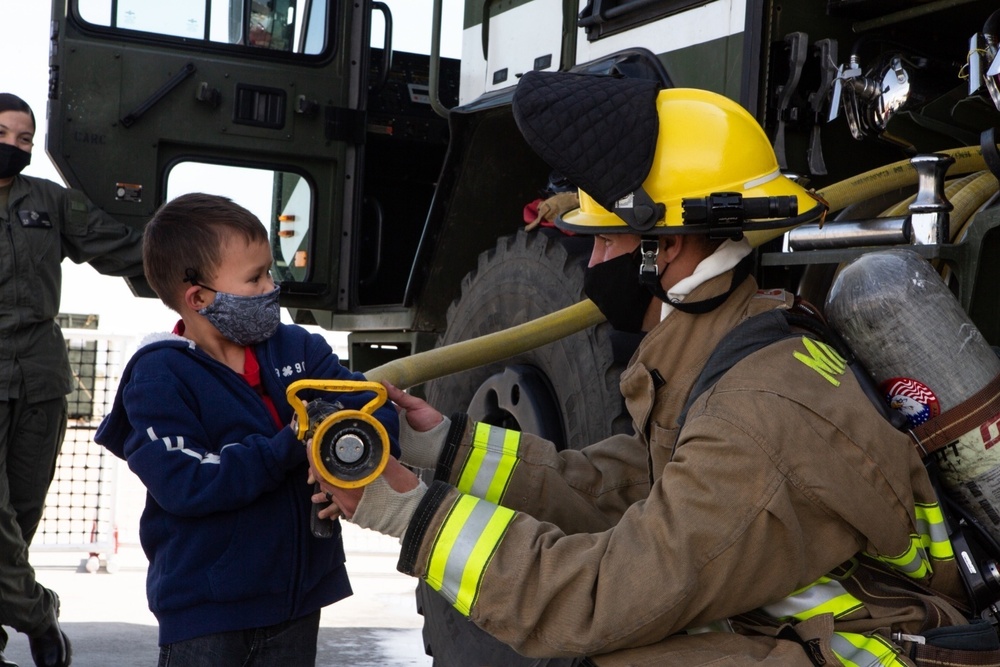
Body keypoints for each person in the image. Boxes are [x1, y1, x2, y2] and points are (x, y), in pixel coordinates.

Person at [312, 72, 993, 666]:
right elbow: (629, 488)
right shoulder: (728, 345)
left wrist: (407, 510)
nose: (594, 261)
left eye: (606, 237)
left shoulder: (755, 415)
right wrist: (441, 444)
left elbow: (603, 595)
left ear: (663, 251)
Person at [93, 192, 400, 666]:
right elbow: (186, 482)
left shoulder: (298, 348)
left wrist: (348, 463)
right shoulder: (158, 377)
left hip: (300, 602)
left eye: (269, 272)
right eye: (254, 278)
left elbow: (369, 407)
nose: (270, 287)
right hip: (206, 617)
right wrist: (290, 445)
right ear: (198, 298)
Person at [0, 92, 145, 667]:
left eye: (24, 139)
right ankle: (38, 613)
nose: (14, 146)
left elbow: (118, 246)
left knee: (22, 519)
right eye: (5, 133)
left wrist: (196, 261)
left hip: (40, 382)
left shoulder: (50, 203)